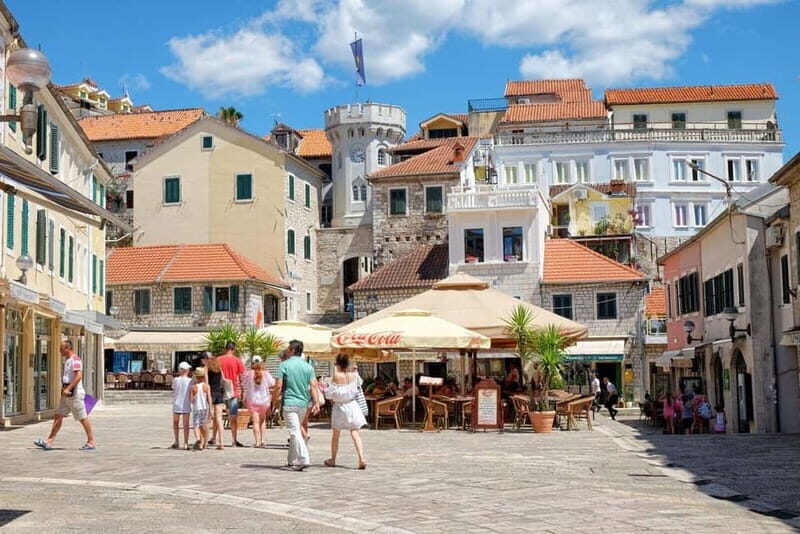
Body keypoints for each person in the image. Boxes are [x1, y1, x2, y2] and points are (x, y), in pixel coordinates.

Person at [35, 340, 96, 451]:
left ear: (67, 348)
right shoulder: (68, 361)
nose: (60, 351)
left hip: (75, 394)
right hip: (66, 394)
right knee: (58, 416)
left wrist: (68, 388)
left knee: (82, 417)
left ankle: (91, 441)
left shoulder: (75, 360)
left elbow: (78, 376)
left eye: (61, 348)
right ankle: (49, 441)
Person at [274, 340, 320, 471]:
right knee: (296, 430)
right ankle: (291, 459)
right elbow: (313, 385)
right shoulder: (308, 367)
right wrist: (316, 402)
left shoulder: (284, 365)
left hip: (289, 402)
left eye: (288, 348)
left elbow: (278, 385)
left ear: (293, 350)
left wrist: (274, 400)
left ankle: (303, 458)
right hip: (303, 404)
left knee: (294, 431)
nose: (287, 350)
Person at [323, 353, 367, 469]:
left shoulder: (336, 377)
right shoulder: (354, 375)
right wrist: (355, 371)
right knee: (355, 432)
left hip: (340, 407)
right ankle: (361, 458)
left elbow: (329, 394)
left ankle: (333, 459)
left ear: (337, 364)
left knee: (336, 435)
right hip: (352, 405)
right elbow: (360, 384)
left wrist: (325, 388)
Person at [217, 342, 246, 447]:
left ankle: (215, 438)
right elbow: (242, 377)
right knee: (233, 416)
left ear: (225, 349)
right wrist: (243, 392)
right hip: (232, 391)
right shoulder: (237, 361)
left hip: (219, 391)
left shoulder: (219, 360)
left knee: (217, 415)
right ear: (234, 349)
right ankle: (234, 440)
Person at [243, 356, 275, 448]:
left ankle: (257, 442)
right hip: (264, 401)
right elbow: (272, 383)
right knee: (262, 421)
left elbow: (244, 384)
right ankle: (263, 440)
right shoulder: (266, 373)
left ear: (252, 363)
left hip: (253, 400)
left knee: (255, 422)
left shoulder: (248, 374)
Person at [171, 361, 193, 450]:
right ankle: (186, 443)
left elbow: (173, 389)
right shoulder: (190, 381)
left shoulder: (176, 380)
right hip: (186, 404)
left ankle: (176, 441)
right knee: (186, 425)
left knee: (175, 423)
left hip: (177, 403)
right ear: (186, 370)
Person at [206, 353, 226, 450]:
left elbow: (206, 384)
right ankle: (221, 442)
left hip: (211, 393)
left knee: (208, 418)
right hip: (219, 393)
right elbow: (223, 380)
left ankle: (205, 441)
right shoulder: (219, 369)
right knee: (219, 419)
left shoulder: (207, 370)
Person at [191, 367, 213, 450]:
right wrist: (211, 409)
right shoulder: (206, 386)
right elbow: (209, 398)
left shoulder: (193, 387)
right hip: (204, 408)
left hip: (196, 408)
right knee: (203, 426)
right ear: (204, 377)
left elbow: (192, 400)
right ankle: (203, 441)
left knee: (196, 425)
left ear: (196, 377)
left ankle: (198, 439)